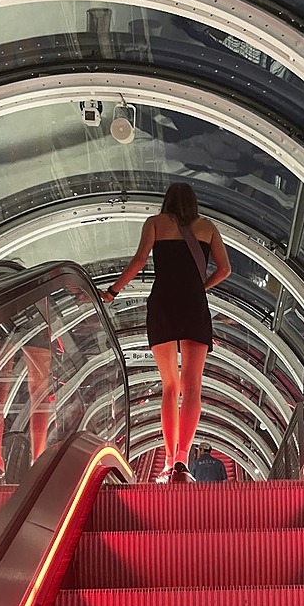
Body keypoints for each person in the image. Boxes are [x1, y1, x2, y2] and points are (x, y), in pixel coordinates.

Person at [102, 182, 231, 483]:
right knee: (193, 386)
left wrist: (112, 291)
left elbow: (138, 261)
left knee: (170, 387)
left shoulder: (155, 223)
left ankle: (170, 457)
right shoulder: (207, 227)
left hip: (162, 303)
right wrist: (200, 287)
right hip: (193, 304)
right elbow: (225, 269)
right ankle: (183, 460)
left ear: (167, 200)